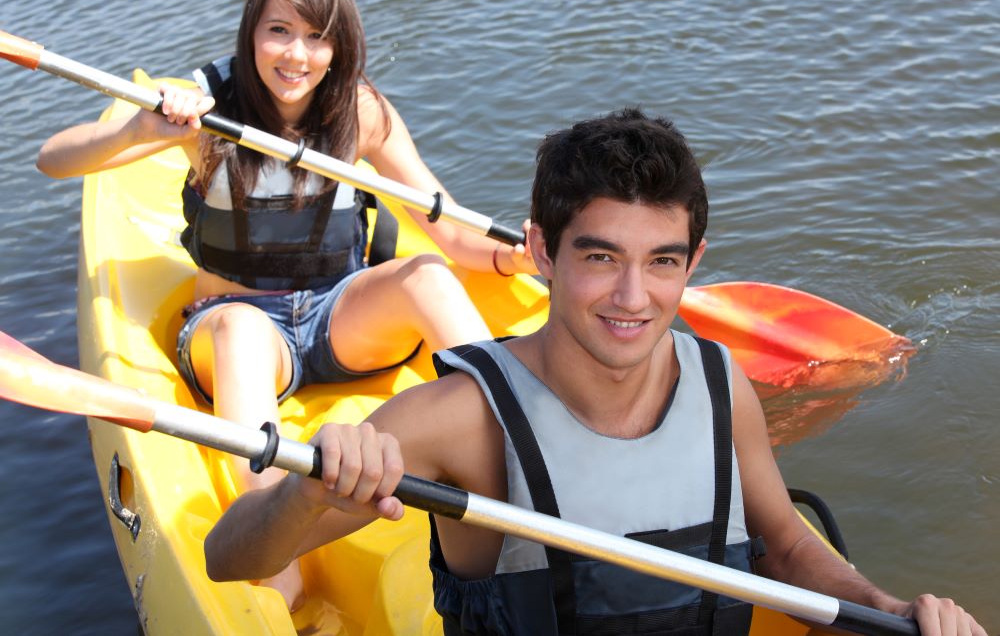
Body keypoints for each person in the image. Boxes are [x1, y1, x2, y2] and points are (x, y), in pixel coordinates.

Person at [203, 108, 985, 635]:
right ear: (542, 250)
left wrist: (893, 609)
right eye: (601, 256)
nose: (633, 297)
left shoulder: (720, 386)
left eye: (662, 262)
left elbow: (783, 544)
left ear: (694, 264)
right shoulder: (457, 420)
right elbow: (232, 556)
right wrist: (308, 490)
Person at [36, 0, 536, 611]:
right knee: (244, 329)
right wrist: (139, 131)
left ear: (339, 47)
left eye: (316, 37)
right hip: (237, 329)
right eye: (279, 32)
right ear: (252, 34)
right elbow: (54, 158)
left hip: (336, 318)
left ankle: (524, 440)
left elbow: (446, 226)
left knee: (428, 276)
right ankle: (268, 533)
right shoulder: (207, 111)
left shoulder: (361, 111)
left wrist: (511, 259)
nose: (297, 55)